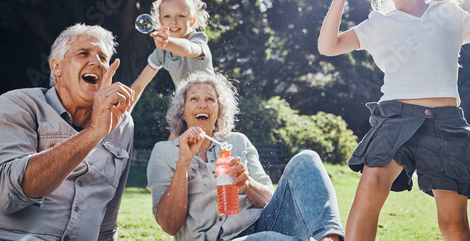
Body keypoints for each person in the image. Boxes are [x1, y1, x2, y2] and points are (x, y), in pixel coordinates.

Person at [318, 0, 470, 241]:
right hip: (395, 117)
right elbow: (328, 46)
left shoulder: (450, 14)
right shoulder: (379, 23)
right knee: (372, 183)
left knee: (453, 222)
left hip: (447, 125)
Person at [0, 23, 135, 240]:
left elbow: (107, 215)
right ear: (57, 66)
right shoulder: (17, 105)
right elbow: (4, 197)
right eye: (83, 53)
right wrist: (94, 132)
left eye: (103, 58)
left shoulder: (122, 123)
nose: (96, 62)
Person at [146, 72, 345, 241]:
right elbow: (169, 225)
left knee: (307, 159)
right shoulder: (164, 151)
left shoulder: (238, 142)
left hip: (262, 226)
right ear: (182, 112)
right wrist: (183, 163)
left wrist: (247, 183)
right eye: (194, 99)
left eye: (210, 99)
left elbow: (270, 201)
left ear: (218, 111)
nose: (203, 105)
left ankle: (330, 237)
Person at [129, 0, 214, 113]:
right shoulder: (162, 51)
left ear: (192, 21)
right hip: (187, 108)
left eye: (181, 16)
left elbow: (189, 49)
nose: (173, 22)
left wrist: (168, 42)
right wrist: (122, 115)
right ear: (159, 22)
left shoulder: (198, 40)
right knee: (176, 131)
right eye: (167, 16)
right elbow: (139, 85)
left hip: (210, 105)